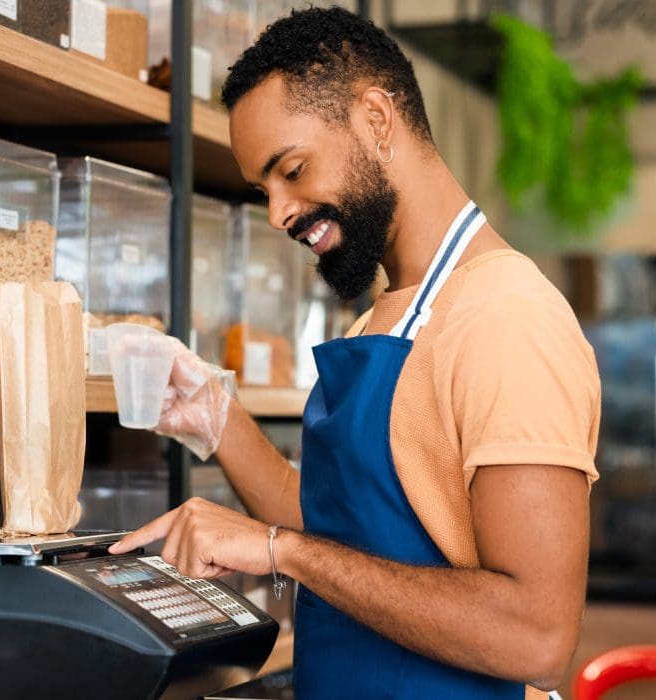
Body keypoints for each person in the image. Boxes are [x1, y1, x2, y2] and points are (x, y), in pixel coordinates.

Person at [109, 6, 600, 699]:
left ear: (376, 119)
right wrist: (217, 418)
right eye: (263, 190)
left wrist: (284, 553)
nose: (278, 212)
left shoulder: (506, 319)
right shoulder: (381, 316)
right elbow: (343, 534)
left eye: (293, 169)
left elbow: (538, 637)